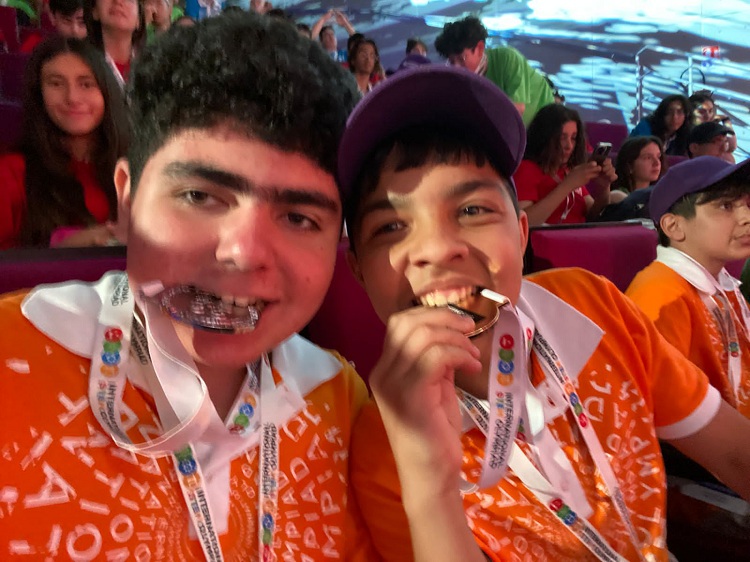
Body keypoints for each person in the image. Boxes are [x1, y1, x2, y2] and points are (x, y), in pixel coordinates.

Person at [0, 13, 373, 561]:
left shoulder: (340, 402)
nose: (243, 252)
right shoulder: (12, 357)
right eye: (200, 196)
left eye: (299, 218)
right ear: (127, 197)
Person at [340, 65, 750, 561]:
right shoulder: (383, 446)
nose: (438, 249)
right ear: (359, 271)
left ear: (521, 234)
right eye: (390, 227)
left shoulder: (593, 305)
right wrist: (429, 484)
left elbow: (734, 451)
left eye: (471, 210)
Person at [626, 156, 750, 416]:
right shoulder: (661, 296)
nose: (746, 217)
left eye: (747, 204)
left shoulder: (721, 283)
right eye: (726, 206)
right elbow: (666, 413)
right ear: (674, 226)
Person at [0, 37, 128, 249]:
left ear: (106, 92)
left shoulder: (140, 165)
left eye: (86, 84)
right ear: (39, 94)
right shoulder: (11, 174)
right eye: (56, 83)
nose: (72, 98)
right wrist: (64, 251)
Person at [434, 15, 553, 126]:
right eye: (451, 61)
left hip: (545, 122)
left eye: (461, 59)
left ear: (480, 48)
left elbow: (517, 109)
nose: (456, 67)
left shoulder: (507, 58)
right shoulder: (458, 79)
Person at [513, 103, 616, 225]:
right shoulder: (527, 169)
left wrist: (604, 188)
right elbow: (524, 223)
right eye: (562, 138)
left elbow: (592, 215)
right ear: (544, 137)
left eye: (573, 138)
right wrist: (568, 185)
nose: (569, 146)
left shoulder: (567, 170)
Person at [83, 0, 146, 86]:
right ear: (94, 11)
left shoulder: (152, 64)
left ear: (139, 19)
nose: (118, 1)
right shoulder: (80, 63)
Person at [20, 0, 87, 52]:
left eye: (82, 22)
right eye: (67, 21)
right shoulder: (35, 44)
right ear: (52, 17)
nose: (75, 30)